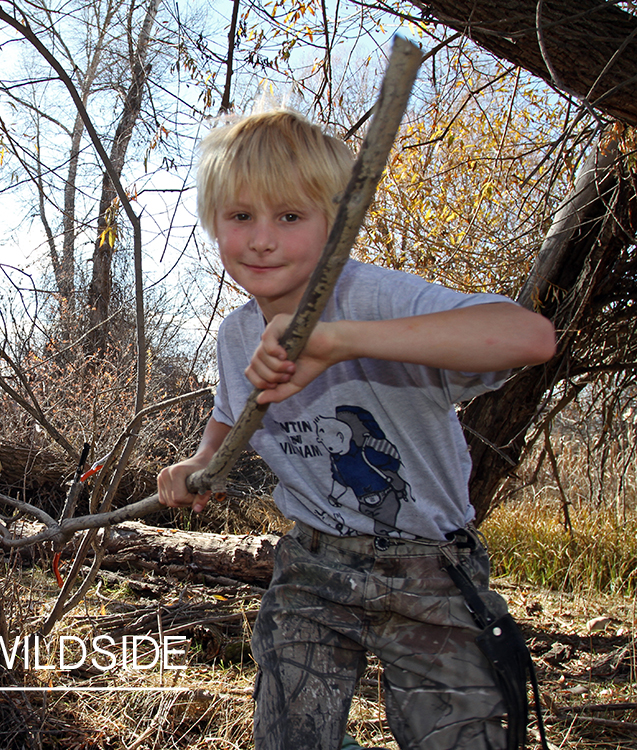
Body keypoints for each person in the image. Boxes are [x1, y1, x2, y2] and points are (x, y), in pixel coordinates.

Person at [157, 110, 556, 750]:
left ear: (336, 224)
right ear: (215, 224)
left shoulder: (372, 298)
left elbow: (530, 337)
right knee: (288, 732)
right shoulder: (237, 335)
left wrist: (338, 342)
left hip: (428, 566)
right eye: (240, 217)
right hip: (313, 562)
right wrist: (200, 463)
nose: (261, 239)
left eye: (289, 217)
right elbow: (232, 412)